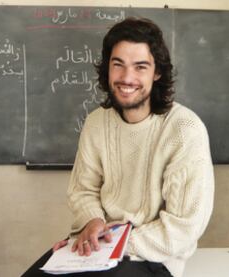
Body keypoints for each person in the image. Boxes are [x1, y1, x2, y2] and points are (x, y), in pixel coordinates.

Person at [22, 17, 214, 277]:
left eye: (140, 67)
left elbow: (184, 226)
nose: (127, 77)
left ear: (157, 72)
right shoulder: (96, 123)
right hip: (101, 244)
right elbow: (83, 190)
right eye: (118, 65)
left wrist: (115, 243)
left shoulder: (184, 129)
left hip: (153, 258)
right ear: (107, 69)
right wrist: (93, 222)